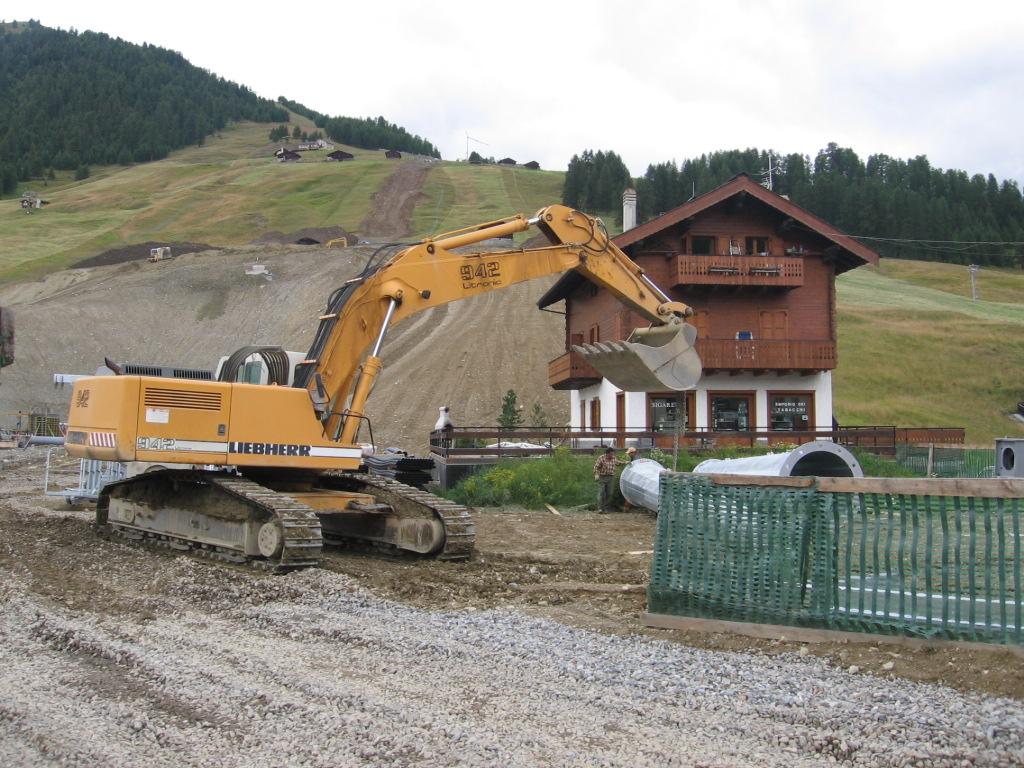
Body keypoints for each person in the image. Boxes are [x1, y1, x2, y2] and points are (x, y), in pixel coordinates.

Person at [593, 446, 627, 513]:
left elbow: (618, 463)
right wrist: (596, 474)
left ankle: (606, 508)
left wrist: (625, 462)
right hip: (602, 477)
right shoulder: (601, 458)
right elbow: (596, 467)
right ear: (607, 454)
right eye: (611, 454)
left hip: (610, 477)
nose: (612, 455)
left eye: (613, 454)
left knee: (610, 493)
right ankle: (600, 507)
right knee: (602, 492)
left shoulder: (613, 458)